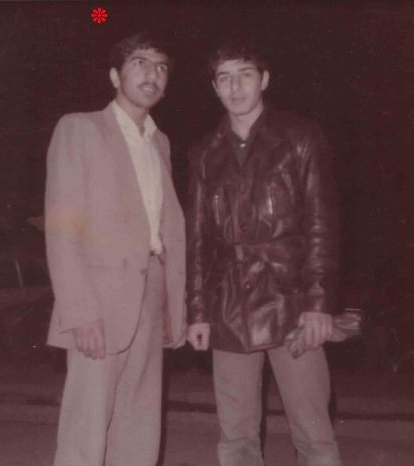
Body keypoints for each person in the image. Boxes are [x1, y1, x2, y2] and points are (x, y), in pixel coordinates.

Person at [186, 36, 343, 466]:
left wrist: (318, 304)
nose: (235, 87)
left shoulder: (300, 137)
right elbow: (198, 239)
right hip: (228, 307)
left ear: (265, 80)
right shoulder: (204, 153)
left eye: (245, 75)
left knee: (313, 433)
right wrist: (197, 311)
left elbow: (321, 225)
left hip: (291, 304)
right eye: (224, 78)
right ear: (214, 87)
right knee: (236, 437)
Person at [45, 31, 186, 466]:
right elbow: (62, 231)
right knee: (86, 430)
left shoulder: (160, 143)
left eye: (161, 67)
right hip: (99, 303)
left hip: (151, 295)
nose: (152, 74)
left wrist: (173, 307)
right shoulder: (80, 129)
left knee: (140, 425)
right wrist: (79, 311)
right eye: (140, 63)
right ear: (114, 75)